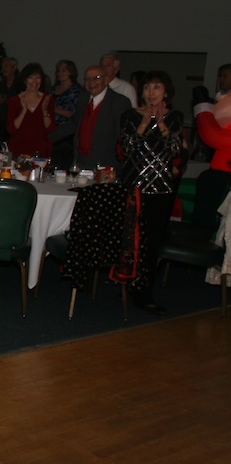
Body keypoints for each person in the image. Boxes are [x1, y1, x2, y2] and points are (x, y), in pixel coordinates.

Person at [119, 71, 183, 315]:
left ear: (166, 93)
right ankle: (125, 285)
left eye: (157, 88)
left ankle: (144, 292)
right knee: (129, 239)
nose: (151, 93)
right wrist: (145, 123)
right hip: (133, 186)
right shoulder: (130, 116)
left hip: (160, 189)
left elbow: (176, 149)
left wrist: (162, 124)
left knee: (151, 242)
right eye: (147, 88)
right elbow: (126, 148)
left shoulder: (175, 117)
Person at [49, 65, 131, 170]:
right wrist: (46, 138)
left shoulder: (119, 102)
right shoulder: (83, 99)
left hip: (106, 165)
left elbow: (122, 137)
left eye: (96, 78)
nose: (91, 82)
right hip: (81, 162)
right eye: (87, 79)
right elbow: (74, 124)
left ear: (106, 80)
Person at [6, 63, 55, 157]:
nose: (35, 81)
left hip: (40, 149)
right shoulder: (15, 100)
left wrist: (44, 111)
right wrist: (23, 111)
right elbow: (11, 130)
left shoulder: (48, 99)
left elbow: (50, 128)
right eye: (31, 77)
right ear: (25, 80)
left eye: (38, 77)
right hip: (18, 148)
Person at [49, 59, 83, 169]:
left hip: (66, 133)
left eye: (64, 70)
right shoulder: (53, 89)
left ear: (71, 72)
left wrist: (53, 109)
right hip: (50, 130)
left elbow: (74, 114)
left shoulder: (75, 90)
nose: (60, 73)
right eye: (58, 70)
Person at [0, 57, 21, 148]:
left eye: (6, 66)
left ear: (14, 68)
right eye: (3, 66)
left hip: (15, 126)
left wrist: (9, 102)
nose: (4, 68)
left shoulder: (20, 87)